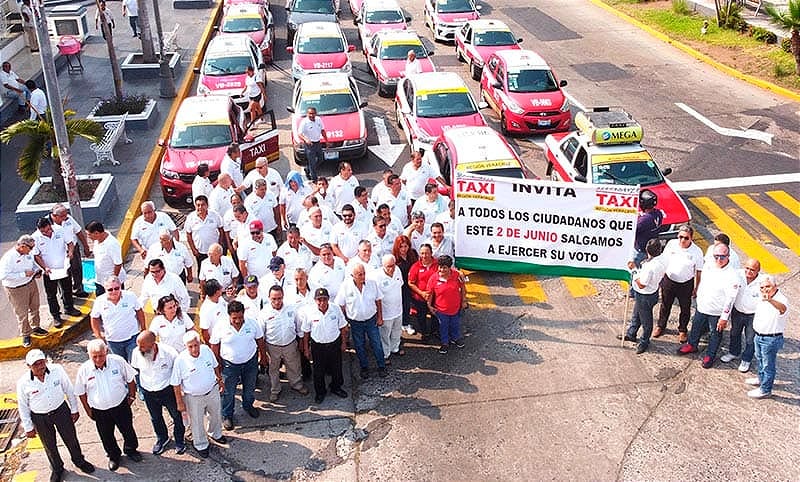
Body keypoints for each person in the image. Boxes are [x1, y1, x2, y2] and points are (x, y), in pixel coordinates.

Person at [17, 349, 95, 482]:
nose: (40, 366)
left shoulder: (57, 370)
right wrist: (28, 427)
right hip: (40, 417)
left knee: (71, 438)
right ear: (29, 366)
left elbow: (68, 389)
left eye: (42, 362)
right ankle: (57, 468)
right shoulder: (23, 382)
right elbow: (23, 406)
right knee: (49, 445)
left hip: (60, 411)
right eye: (36, 364)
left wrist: (74, 409)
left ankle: (79, 460)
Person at [74, 339, 141, 472]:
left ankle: (131, 450)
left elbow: (130, 379)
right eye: (94, 356)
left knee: (127, 429)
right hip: (100, 411)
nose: (98, 359)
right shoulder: (84, 370)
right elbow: (81, 392)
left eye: (101, 355)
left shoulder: (118, 361)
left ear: (106, 352)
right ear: (89, 355)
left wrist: (132, 396)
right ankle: (114, 456)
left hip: (121, 405)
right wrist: (88, 410)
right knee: (106, 435)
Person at [677, 243, 741, 369]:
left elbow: (730, 299)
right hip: (702, 306)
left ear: (728, 256)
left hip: (717, 312)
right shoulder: (708, 265)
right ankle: (692, 345)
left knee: (715, 334)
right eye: (716, 256)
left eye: (722, 257)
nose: (719, 259)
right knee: (696, 327)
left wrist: (724, 317)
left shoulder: (732, 275)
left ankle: (710, 355)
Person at [210, 301, 268, 430]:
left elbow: (260, 340)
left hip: (250, 362)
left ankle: (248, 406)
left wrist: (263, 357)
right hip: (229, 366)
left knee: (250, 388)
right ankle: (227, 415)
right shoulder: (220, 326)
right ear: (229, 315)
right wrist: (217, 366)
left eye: (240, 317)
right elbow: (215, 346)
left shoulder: (252, 323)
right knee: (228, 392)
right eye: (234, 318)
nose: (238, 321)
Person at [171, 331, 227, 458]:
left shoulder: (206, 350)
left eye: (196, 345)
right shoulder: (180, 361)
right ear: (185, 346)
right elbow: (176, 383)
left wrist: (220, 381)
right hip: (193, 397)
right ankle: (201, 444)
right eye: (190, 346)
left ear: (199, 343)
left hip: (212, 390)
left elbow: (215, 366)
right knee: (196, 422)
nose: (194, 349)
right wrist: (180, 402)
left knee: (215, 414)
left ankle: (216, 434)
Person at [130, 331, 185, 455]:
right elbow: (136, 371)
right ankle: (162, 438)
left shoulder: (170, 353)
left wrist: (179, 393)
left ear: (153, 344)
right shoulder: (136, 353)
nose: (140, 349)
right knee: (155, 418)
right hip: (148, 391)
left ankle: (180, 440)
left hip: (167, 391)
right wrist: (141, 389)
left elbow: (178, 373)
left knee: (176, 416)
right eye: (138, 346)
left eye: (143, 346)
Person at [335, 263, 386, 378]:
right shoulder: (345, 287)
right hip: (355, 323)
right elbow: (340, 305)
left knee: (377, 343)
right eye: (359, 274)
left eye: (364, 273)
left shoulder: (372, 284)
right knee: (359, 345)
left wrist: (380, 316)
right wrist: (344, 323)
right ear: (352, 275)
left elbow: (378, 300)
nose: (363, 277)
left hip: (371, 320)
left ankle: (381, 366)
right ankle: (364, 367)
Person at [259, 285, 309, 402]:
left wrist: (301, 342)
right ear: (269, 298)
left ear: (283, 297)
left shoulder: (291, 309)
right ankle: (275, 390)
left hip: (290, 344)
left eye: (279, 298)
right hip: (272, 346)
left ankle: (297, 385)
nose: (277, 301)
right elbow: (261, 335)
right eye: (274, 299)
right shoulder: (263, 313)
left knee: (294, 366)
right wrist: (262, 353)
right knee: (273, 369)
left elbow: (299, 327)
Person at [300, 288, 349, 404]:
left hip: (334, 344)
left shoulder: (335, 309)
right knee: (318, 371)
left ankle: (336, 387)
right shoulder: (309, 312)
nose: (322, 302)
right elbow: (306, 332)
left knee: (337, 368)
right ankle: (320, 392)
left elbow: (343, 327)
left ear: (328, 299)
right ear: (315, 300)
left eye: (324, 299)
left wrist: (343, 343)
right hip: (318, 346)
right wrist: (306, 349)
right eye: (319, 300)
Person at [655, 224, 703, 342]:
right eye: (680, 237)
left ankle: (682, 330)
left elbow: (698, 271)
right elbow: (663, 261)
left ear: (691, 238)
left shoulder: (697, 251)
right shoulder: (671, 244)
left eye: (686, 238)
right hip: (669, 281)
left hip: (686, 284)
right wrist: (660, 278)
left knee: (685, 308)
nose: (682, 240)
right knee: (665, 305)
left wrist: (697, 287)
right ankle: (661, 326)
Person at [744, 275, 789, 399]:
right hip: (759, 336)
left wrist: (770, 300)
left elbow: (783, 309)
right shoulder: (761, 297)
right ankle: (761, 378)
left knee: (768, 365)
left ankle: (765, 390)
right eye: (762, 287)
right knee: (760, 360)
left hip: (771, 339)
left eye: (768, 287)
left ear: (775, 286)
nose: (765, 290)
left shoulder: (781, 299)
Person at [619, 239, 667, 354]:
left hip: (644, 295)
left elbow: (641, 284)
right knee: (636, 314)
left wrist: (634, 270)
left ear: (647, 250)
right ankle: (631, 333)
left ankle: (644, 342)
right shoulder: (662, 260)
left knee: (646, 321)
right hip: (652, 293)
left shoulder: (650, 266)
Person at [32, 217, 81, 327]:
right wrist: (45, 267)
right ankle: (56, 316)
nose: (47, 233)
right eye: (43, 232)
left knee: (67, 289)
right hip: (49, 271)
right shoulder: (35, 238)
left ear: (50, 226)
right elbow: (36, 256)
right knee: (51, 295)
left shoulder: (60, 230)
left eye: (48, 230)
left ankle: (69, 308)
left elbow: (70, 243)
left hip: (63, 267)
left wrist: (71, 252)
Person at [90, 275, 145, 362]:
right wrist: (98, 336)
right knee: (120, 364)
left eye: (116, 288)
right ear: (105, 289)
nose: (114, 291)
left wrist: (143, 329)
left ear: (120, 286)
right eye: (110, 289)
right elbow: (94, 318)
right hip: (113, 341)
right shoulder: (99, 301)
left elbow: (139, 311)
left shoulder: (130, 296)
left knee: (135, 364)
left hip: (132, 338)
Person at [721, 258, 762, 373]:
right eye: (747, 268)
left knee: (750, 339)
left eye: (752, 270)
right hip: (737, 311)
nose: (748, 271)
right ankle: (734, 352)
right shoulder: (737, 275)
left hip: (752, 315)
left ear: (758, 270)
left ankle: (746, 359)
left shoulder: (763, 281)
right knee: (734, 333)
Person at [1, 235, 43, 347]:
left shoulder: (27, 254)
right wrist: (23, 274)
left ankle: (36, 326)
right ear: (23, 246)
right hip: (16, 288)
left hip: (30, 283)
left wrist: (37, 271)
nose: (32, 250)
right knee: (22, 312)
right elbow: (3, 275)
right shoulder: (8, 258)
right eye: (30, 247)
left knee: (35, 306)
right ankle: (25, 334)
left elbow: (33, 264)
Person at [426, 255, 467, 354]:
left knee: (455, 325)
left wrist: (464, 301)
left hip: (455, 308)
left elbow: (463, 288)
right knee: (443, 327)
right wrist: (429, 305)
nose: (441, 270)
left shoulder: (457, 276)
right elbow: (430, 294)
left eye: (444, 267)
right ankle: (445, 343)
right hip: (441, 310)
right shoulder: (433, 278)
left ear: (449, 268)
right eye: (440, 267)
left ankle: (455, 338)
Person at [49, 204, 90, 298]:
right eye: (63, 216)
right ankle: (65, 294)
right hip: (59, 253)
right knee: (62, 273)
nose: (66, 217)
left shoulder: (69, 219)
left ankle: (78, 289)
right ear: (54, 216)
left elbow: (78, 232)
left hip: (73, 249)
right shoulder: (47, 224)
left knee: (77, 269)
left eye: (66, 214)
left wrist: (86, 247)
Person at [373, 254, 404, 362]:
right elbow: (376, 298)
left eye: (393, 265)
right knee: (384, 335)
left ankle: (395, 348)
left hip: (398, 310)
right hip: (386, 313)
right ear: (383, 266)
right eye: (388, 266)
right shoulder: (377, 277)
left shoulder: (397, 270)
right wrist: (379, 315)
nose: (391, 269)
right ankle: (385, 354)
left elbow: (400, 285)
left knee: (397, 331)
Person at [85, 221, 126, 296]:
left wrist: (113, 281)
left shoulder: (112, 244)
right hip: (100, 280)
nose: (88, 237)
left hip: (112, 283)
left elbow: (118, 264)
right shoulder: (97, 240)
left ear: (96, 233)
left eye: (89, 234)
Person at [185, 195, 224, 267]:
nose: (200, 207)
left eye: (203, 205)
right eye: (198, 205)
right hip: (200, 251)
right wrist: (193, 249)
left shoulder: (214, 215)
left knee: (217, 268)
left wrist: (220, 243)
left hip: (214, 251)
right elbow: (188, 235)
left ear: (207, 205)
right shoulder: (190, 218)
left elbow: (221, 229)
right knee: (202, 270)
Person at [408, 243, 437, 337]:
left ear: (431, 253)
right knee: (421, 316)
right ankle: (424, 333)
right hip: (420, 297)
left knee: (435, 315)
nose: (424, 256)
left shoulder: (437, 264)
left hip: (435, 297)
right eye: (422, 253)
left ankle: (434, 332)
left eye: (427, 253)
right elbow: (410, 283)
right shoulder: (415, 266)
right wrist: (422, 293)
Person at [630, 190, 663, 270]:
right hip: (652, 250)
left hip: (641, 251)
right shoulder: (658, 213)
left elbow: (632, 231)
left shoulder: (643, 221)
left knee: (634, 270)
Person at [392, 235, 417, 338]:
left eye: (405, 246)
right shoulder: (394, 259)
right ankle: (405, 323)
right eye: (401, 247)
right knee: (404, 305)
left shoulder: (412, 254)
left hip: (412, 284)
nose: (403, 249)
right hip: (401, 286)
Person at [297, 107, 328, 181]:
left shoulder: (318, 120)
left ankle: (308, 169)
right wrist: (306, 139)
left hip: (318, 143)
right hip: (309, 145)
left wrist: (327, 140)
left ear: (316, 113)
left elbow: (322, 130)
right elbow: (299, 134)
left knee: (321, 159)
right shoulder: (304, 122)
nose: (311, 115)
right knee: (312, 162)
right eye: (310, 113)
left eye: (313, 113)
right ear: (307, 114)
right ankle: (314, 179)